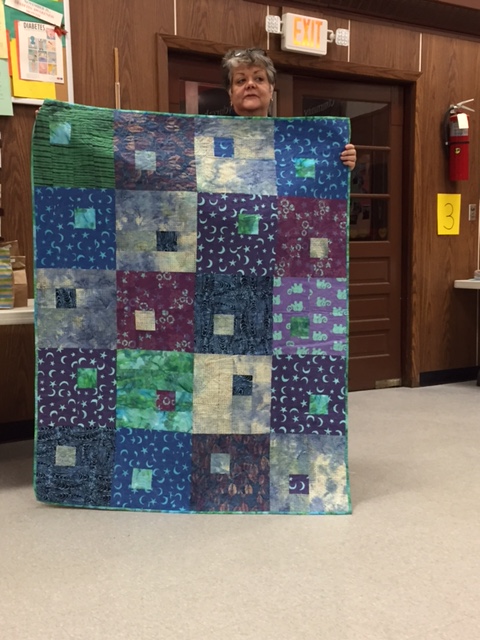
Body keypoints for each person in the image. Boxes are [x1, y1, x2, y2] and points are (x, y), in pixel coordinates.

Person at [221, 48, 356, 170]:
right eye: (241, 80)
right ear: (230, 92)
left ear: (271, 89)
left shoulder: (291, 138)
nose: (250, 84)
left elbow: (306, 176)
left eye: (259, 78)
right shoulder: (215, 137)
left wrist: (336, 163)